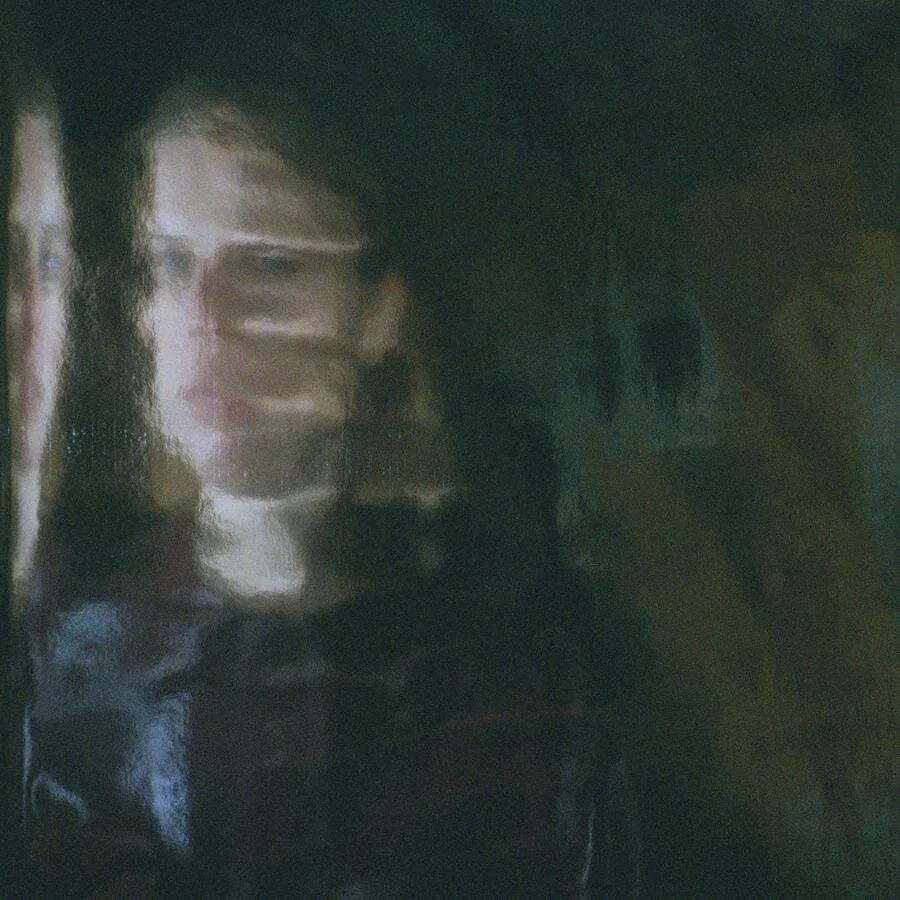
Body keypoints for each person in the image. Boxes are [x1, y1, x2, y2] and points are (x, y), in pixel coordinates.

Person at [21, 81, 640, 897]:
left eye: (270, 266)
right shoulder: (77, 644)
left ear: (377, 313)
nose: (206, 319)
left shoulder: (514, 667)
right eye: (171, 263)